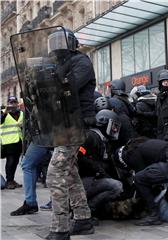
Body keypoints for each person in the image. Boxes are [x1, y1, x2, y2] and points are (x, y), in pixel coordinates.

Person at [45, 28, 95, 240]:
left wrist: (48, 84)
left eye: (61, 41)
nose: (57, 46)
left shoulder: (81, 61)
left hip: (76, 125)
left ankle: (60, 228)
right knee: (71, 174)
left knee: (55, 174)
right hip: (65, 125)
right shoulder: (59, 65)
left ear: (72, 43)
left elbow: (68, 87)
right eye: (53, 42)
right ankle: (83, 219)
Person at [116, 138, 168, 226]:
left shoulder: (131, 153)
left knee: (138, 178)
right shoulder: (146, 144)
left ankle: (154, 215)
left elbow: (142, 179)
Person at [77, 109, 133, 218]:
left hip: (87, 180)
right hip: (81, 182)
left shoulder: (103, 140)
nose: (115, 129)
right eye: (114, 126)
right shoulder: (91, 137)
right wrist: (98, 169)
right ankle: (88, 211)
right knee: (116, 186)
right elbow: (79, 155)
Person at [10, 143, 53, 216]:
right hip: (43, 138)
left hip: (45, 137)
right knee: (28, 165)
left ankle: (31, 203)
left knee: (59, 168)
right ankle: (30, 202)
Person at [0, 96, 23, 189]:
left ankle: (12, 179)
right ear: (8, 103)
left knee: (15, 162)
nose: (12, 104)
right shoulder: (3, 113)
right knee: (10, 161)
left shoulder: (20, 113)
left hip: (18, 141)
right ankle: (9, 181)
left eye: (14, 102)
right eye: (11, 102)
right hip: (8, 142)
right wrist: (5, 111)